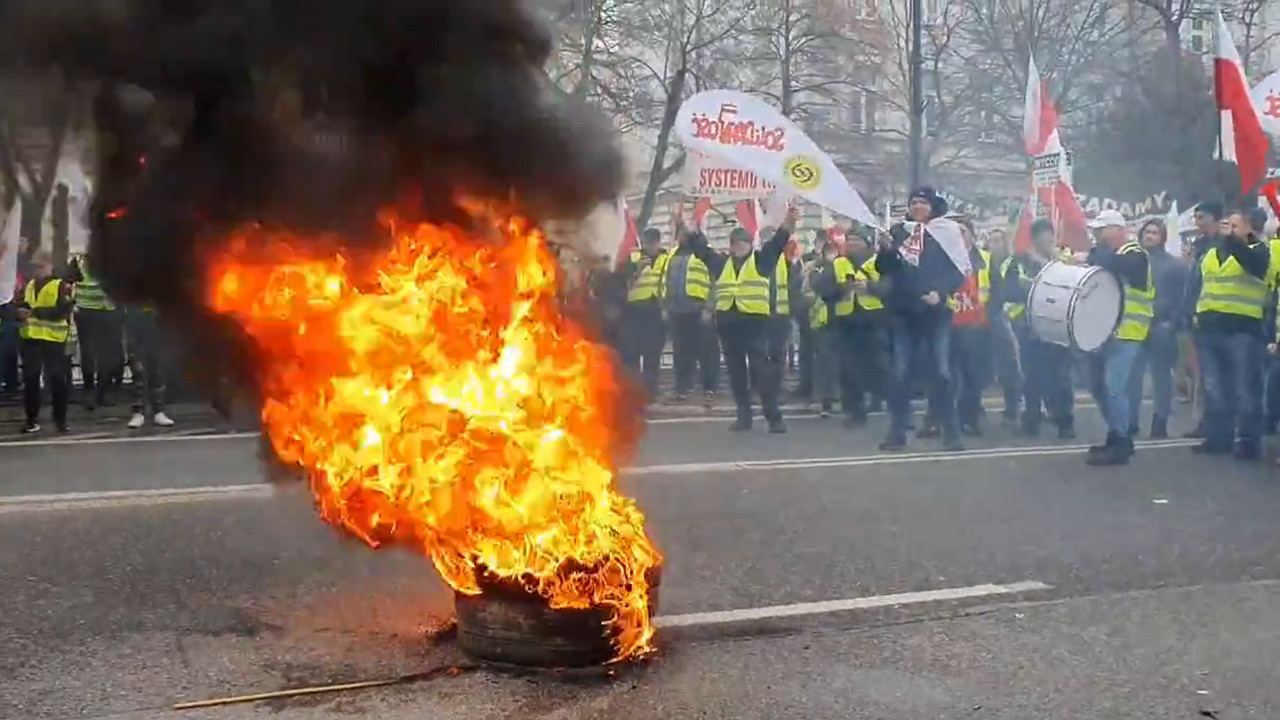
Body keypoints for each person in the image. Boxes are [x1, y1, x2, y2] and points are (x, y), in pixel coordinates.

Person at [687, 208, 798, 433]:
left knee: (762, 373)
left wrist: (789, 221)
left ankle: (773, 417)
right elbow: (702, 251)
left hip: (755, 325)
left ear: (749, 244)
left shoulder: (761, 260)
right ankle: (743, 416)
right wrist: (691, 232)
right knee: (736, 374)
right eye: (734, 243)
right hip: (728, 325)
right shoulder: (722, 263)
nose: (738, 246)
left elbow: (778, 242)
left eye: (742, 243)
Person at [875, 187, 966, 451]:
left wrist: (940, 292)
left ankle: (950, 429)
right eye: (913, 202)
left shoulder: (946, 233)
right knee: (900, 373)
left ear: (932, 206)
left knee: (942, 373)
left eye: (922, 203)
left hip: (935, 313)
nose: (917, 207)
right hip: (904, 312)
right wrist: (885, 250)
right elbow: (885, 269)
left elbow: (957, 269)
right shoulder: (900, 232)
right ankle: (899, 429)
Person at [1187, 207, 1270, 458]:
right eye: (1227, 226)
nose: (1229, 231)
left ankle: (1248, 441)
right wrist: (1193, 314)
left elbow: (1254, 267)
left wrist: (1234, 242)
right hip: (1211, 329)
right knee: (1215, 387)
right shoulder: (1212, 253)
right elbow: (1198, 285)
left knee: (1245, 388)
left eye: (1235, 226)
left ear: (1248, 229)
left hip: (1242, 330)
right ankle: (1218, 438)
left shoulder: (1258, 251)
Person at [1082, 210, 1152, 465]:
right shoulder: (1106, 254)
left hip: (1127, 332)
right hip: (1105, 332)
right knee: (1100, 388)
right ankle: (1116, 435)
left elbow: (1116, 265)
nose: (1097, 234)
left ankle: (1121, 442)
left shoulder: (1135, 254)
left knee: (1114, 389)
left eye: (1102, 229)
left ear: (1118, 230)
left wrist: (1095, 253)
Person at [1003, 219, 1076, 439]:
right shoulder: (1019, 262)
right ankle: (1031, 420)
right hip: (1029, 329)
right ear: (1034, 240)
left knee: (1061, 378)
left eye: (1051, 238)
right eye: (1044, 239)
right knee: (1032, 377)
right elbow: (1010, 291)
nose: (1049, 242)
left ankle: (1065, 422)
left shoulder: (1063, 263)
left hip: (1057, 330)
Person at [1127, 219, 1187, 439]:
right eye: (1147, 232)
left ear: (1163, 237)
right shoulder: (1133, 262)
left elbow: (1185, 297)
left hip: (1162, 328)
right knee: (1132, 377)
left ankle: (1160, 420)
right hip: (1136, 326)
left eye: (1155, 232)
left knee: (1161, 377)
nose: (1150, 236)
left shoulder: (1175, 265)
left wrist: (1174, 322)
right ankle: (1130, 421)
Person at [1180, 201, 1225, 439]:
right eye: (1196, 217)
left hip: (1215, 318)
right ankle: (1207, 423)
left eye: (1202, 217)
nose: (1198, 222)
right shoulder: (1199, 246)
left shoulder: (1223, 245)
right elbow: (1194, 282)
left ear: (1216, 219)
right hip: (1197, 316)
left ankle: (1219, 429)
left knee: (1215, 379)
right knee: (1204, 377)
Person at [15, 251, 72, 433]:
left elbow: (63, 311)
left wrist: (36, 312)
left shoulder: (59, 285)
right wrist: (20, 312)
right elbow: (22, 303)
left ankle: (60, 420)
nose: (37, 270)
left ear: (50, 266)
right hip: (31, 338)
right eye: (35, 267)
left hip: (54, 340)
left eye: (40, 266)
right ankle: (32, 419)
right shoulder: (30, 285)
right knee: (30, 379)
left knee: (57, 380)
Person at [948, 218, 994, 436]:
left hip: (976, 327)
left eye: (963, 232)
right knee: (945, 375)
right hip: (947, 326)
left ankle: (970, 418)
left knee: (972, 377)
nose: (959, 236)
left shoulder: (985, 260)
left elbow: (998, 292)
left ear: (972, 236)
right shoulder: (941, 258)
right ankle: (943, 419)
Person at [663, 229, 719, 405]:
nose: (681, 237)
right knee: (681, 353)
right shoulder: (672, 256)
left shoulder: (705, 255)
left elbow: (715, 282)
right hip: (677, 312)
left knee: (706, 353)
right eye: (681, 234)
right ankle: (683, 388)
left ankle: (709, 388)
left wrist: (709, 308)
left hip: (699, 310)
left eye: (685, 235)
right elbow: (665, 281)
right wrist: (665, 306)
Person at [68, 253, 124, 409]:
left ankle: (103, 390)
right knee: (88, 353)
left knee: (107, 354)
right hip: (86, 311)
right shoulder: (78, 261)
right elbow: (68, 281)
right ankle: (89, 391)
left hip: (109, 311)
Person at [621, 228, 669, 399]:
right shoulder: (634, 258)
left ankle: (650, 389)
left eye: (654, 243)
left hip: (656, 308)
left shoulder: (667, 259)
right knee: (633, 352)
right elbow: (622, 278)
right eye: (648, 242)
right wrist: (636, 269)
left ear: (658, 242)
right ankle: (634, 389)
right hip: (635, 309)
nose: (651, 246)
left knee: (653, 352)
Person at [123, 303, 175, 428]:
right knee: (137, 368)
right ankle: (138, 412)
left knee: (157, 366)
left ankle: (158, 410)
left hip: (156, 317)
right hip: (135, 317)